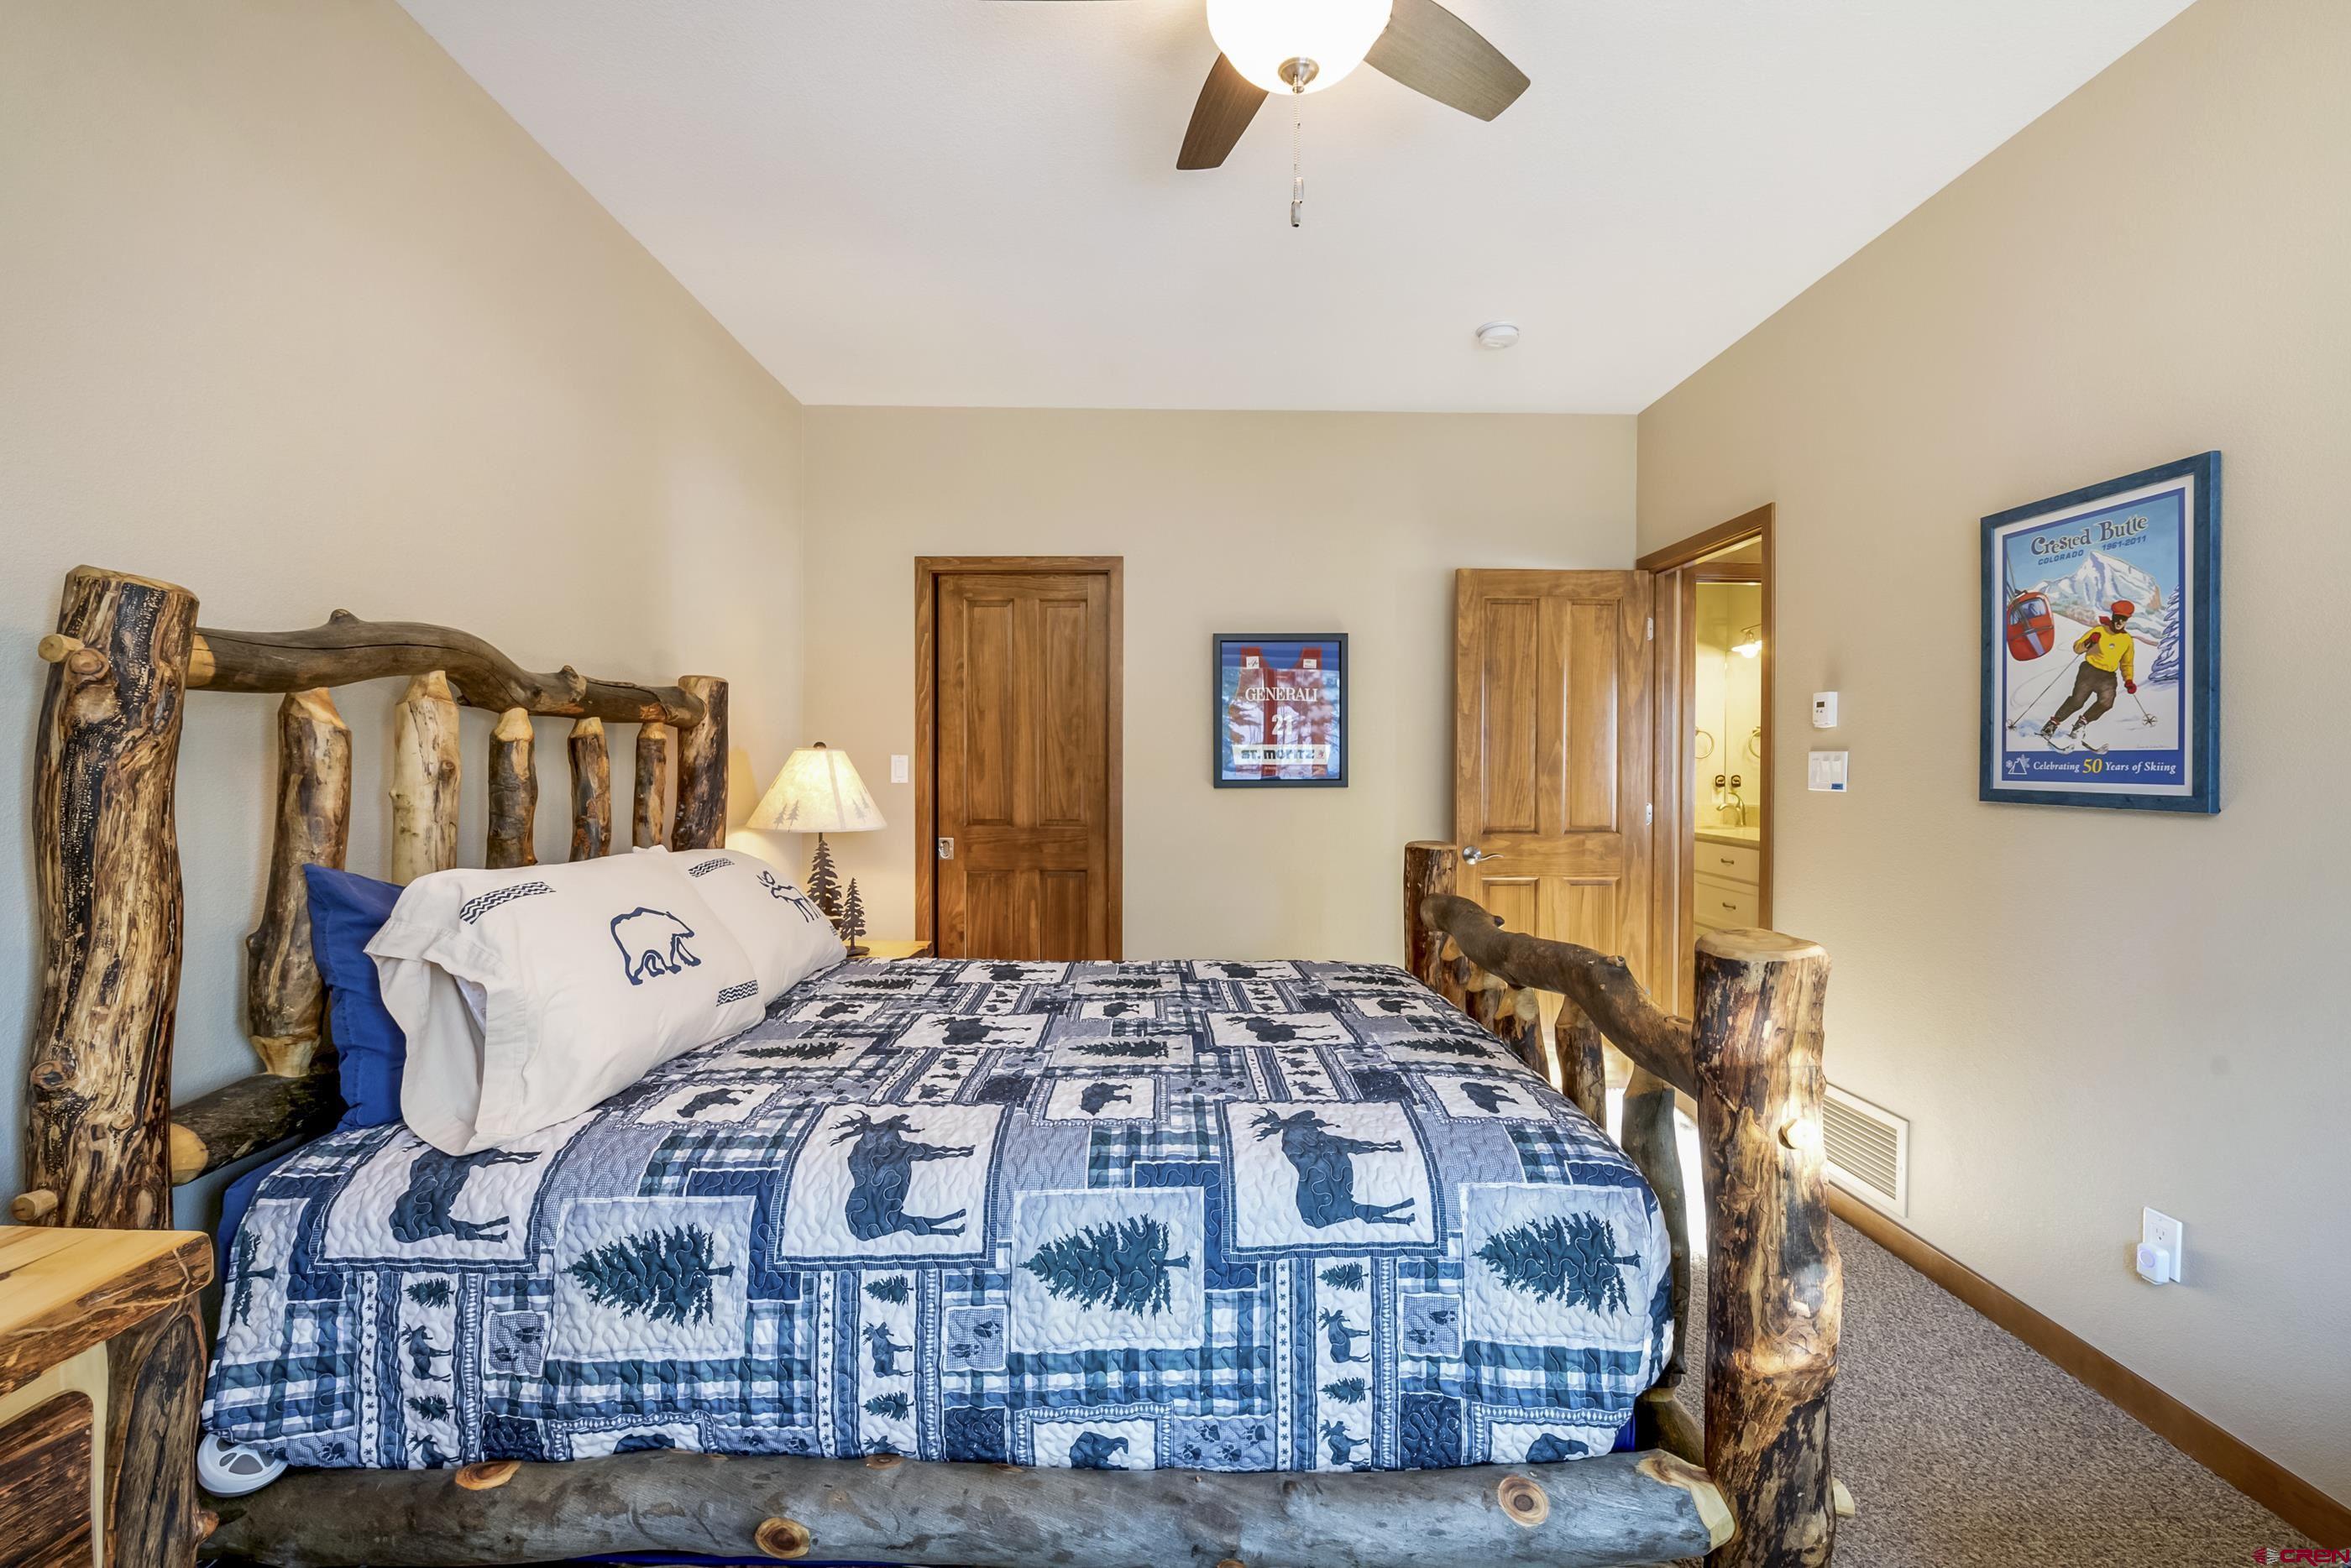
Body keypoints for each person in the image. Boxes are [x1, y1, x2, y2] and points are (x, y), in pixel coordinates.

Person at [2040, 599, 2138, 741]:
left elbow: (2127, 663)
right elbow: (2077, 648)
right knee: (2077, 702)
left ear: (2127, 620)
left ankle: (2081, 724)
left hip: (2108, 676)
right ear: (2113, 617)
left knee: (2106, 703)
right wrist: (2090, 642)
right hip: (2089, 672)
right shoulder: (2099, 631)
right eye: (2117, 618)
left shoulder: (2127, 640)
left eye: (2123, 619)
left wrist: (2129, 680)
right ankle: (2052, 724)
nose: (2119, 622)